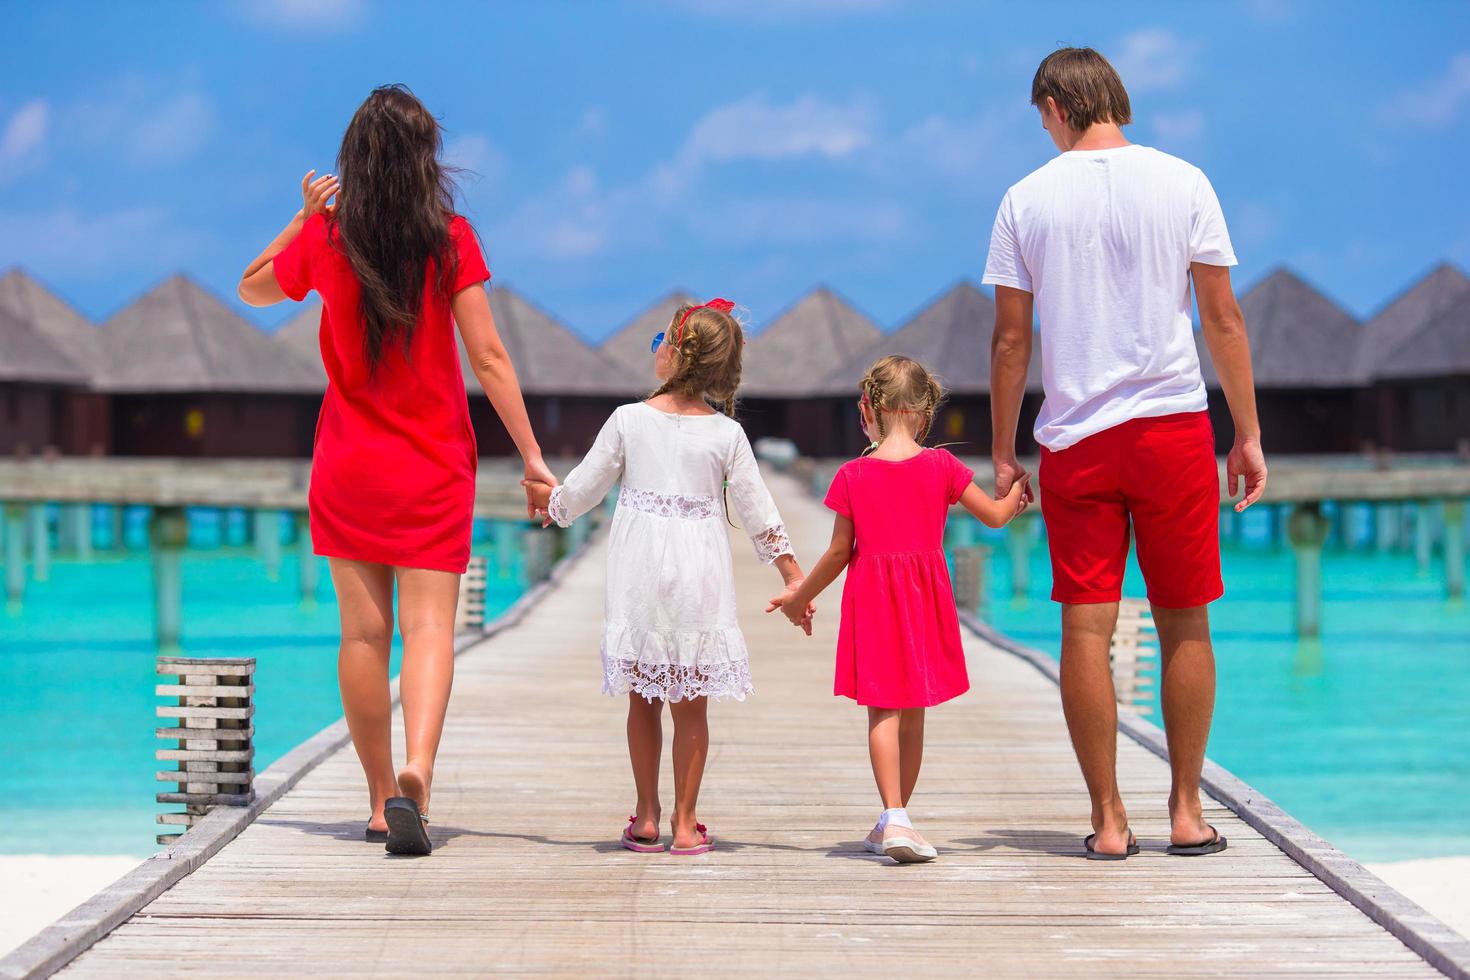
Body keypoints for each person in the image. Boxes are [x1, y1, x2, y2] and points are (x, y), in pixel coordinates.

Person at [238, 84, 554, 856]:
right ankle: (419, 768)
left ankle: (380, 801)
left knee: (363, 635)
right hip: (433, 463)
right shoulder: (449, 239)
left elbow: (251, 286)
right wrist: (534, 457)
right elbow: (488, 356)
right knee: (428, 629)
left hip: (348, 464)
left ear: (354, 160)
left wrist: (305, 218)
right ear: (424, 161)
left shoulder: (328, 238)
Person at [982, 48, 1268, 859]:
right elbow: (1223, 322)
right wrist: (1245, 433)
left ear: (1057, 103)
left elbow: (1010, 339)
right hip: (1172, 429)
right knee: (1185, 617)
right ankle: (1185, 811)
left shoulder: (1023, 199)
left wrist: (1003, 451)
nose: (1043, 131)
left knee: (1084, 625)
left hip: (1076, 438)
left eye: (1042, 116)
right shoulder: (1186, 182)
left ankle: (1109, 820)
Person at [522, 299, 811, 855]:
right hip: (699, 572)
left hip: (638, 573)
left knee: (642, 699)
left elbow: (582, 491)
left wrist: (549, 503)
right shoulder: (727, 434)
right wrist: (793, 575)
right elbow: (759, 512)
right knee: (692, 704)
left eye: (661, 341)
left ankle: (647, 815)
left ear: (675, 355)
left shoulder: (628, 420)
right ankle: (685, 822)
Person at [768, 356, 1028, 863]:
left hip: (873, 598)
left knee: (882, 709)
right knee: (914, 711)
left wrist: (801, 596)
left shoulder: (852, 474)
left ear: (869, 409)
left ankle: (893, 817)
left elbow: (840, 552)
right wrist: (1018, 488)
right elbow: (996, 518)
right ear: (925, 412)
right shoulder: (943, 466)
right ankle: (897, 816)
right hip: (926, 600)